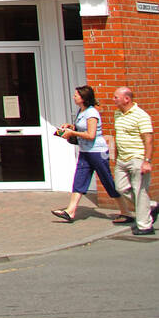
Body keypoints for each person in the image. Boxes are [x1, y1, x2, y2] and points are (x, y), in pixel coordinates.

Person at [52, 85, 119, 222]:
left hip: (97, 152)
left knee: (107, 181)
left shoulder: (91, 113)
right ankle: (70, 212)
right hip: (85, 152)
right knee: (79, 180)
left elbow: (91, 134)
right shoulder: (81, 111)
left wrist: (72, 133)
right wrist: (70, 127)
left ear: (83, 98)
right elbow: (81, 128)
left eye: (76, 95)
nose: (73, 97)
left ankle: (126, 211)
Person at [111, 87, 154, 235]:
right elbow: (117, 136)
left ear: (126, 99)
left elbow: (148, 139)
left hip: (137, 158)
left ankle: (145, 226)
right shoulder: (117, 114)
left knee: (140, 191)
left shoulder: (141, 115)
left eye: (116, 97)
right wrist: (114, 155)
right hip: (122, 159)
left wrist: (147, 161)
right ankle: (151, 206)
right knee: (120, 187)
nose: (113, 100)